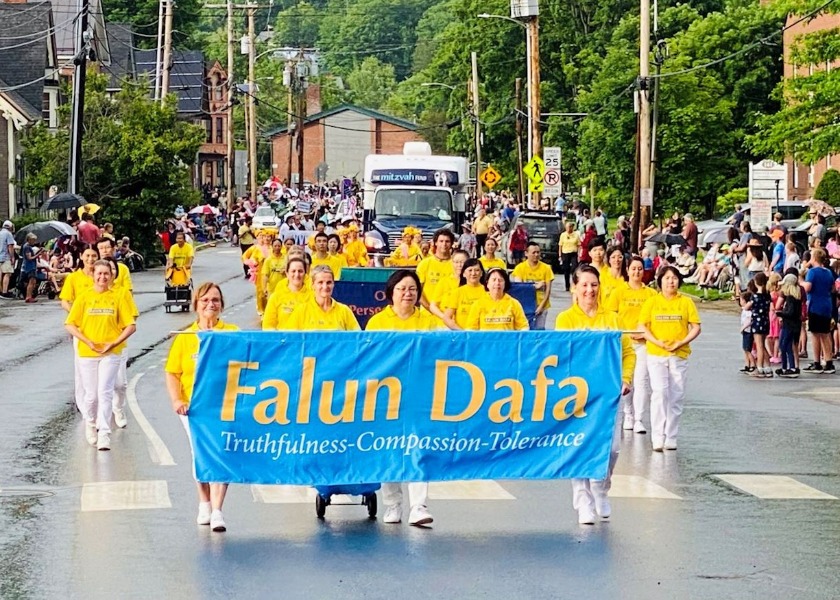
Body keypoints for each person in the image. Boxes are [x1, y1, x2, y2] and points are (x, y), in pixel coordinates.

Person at [554, 265, 635, 524]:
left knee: (611, 448)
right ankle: (583, 500)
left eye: (594, 285)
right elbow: (560, 356)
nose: (590, 290)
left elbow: (628, 353)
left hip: (608, 394)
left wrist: (626, 378)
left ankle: (601, 488)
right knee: (579, 446)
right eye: (584, 285)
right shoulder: (565, 320)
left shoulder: (612, 319)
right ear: (574, 288)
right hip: (577, 395)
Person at [366, 270, 436, 526]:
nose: (408, 294)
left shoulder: (428, 322)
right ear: (391, 293)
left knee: (418, 449)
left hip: (420, 395)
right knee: (389, 449)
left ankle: (419, 505)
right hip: (386, 397)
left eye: (412, 289)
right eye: (402, 289)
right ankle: (393, 504)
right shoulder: (377, 323)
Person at [165, 282, 237, 531]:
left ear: (221, 305)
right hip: (194, 409)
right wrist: (177, 400)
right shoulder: (186, 337)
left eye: (215, 300)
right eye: (205, 300)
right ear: (196, 305)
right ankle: (204, 502)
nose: (210, 305)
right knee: (201, 456)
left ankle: (218, 510)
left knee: (222, 454)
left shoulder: (233, 333)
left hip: (224, 407)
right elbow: (173, 373)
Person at [64, 259, 137, 451]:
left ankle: (104, 433)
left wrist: (114, 342)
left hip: (111, 352)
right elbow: (70, 324)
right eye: (99, 273)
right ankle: (90, 422)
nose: (103, 277)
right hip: (88, 353)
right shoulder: (84, 297)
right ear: (92, 275)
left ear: (111, 276)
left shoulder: (118, 297)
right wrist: (86, 341)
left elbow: (131, 325)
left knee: (105, 391)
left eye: (107, 274)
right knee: (91, 395)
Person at [639, 266, 702, 451]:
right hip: (656, 354)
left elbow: (696, 327)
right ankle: (657, 436)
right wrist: (656, 341)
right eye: (667, 278)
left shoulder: (686, 302)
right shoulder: (652, 302)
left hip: (679, 355)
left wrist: (681, 342)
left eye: (674, 278)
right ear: (660, 281)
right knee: (660, 393)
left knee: (676, 395)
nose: (670, 281)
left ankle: (671, 435)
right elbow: (642, 326)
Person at [604, 256, 656, 433]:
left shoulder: (651, 294)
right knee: (627, 380)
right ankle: (628, 414)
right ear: (628, 270)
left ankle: (639, 419)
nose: (637, 272)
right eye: (633, 268)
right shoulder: (619, 292)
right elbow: (610, 316)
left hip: (643, 343)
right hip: (624, 343)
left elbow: (654, 319)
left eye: (640, 269)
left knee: (641, 380)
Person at [98, 237, 136, 429]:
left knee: (120, 384)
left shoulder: (122, 292)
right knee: (101, 386)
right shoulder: (93, 290)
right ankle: (99, 421)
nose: (107, 275)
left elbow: (131, 319)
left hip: (118, 343)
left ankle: (118, 408)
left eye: (111, 271)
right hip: (96, 344)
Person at [286, 265, 360, 331]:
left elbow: (357, 339)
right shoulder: (301, 311)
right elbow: (290, 340)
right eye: (320, 282)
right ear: (312, 285)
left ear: (333, 284)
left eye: (329, 282)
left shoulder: (344, 311)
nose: (325, 287)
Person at [802, 248, 836, 374]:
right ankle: (828, 361)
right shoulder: (828, 272)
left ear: (814, 258)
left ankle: (817, 362)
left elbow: (808, 287)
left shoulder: (812, 272)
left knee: (815, 334)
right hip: (827, 304)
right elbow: (832, 288)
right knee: (826, 334)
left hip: (815, 305)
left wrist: (801, 282)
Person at [511, 242, 553, 329]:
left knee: (539, 331)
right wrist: (534, 287)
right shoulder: (520, 268)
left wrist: (541, 306)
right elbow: (519, 288)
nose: (536, 255)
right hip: (525, 306)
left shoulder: (546, 268)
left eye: (538, 252)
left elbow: (548, 290)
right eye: (533, 252)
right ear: (526, 253)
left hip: (541, 305)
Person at [263, 257, 311, 330]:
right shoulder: (276, 297)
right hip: (283, 340)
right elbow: (268, 326)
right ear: (287, 273)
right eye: (293, 271)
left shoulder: (313, 297)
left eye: (300, 271)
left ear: (305, 273)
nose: (297, 274)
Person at [441, 257, 487, 330]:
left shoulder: (488, 292)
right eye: (470, 270)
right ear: (463, 274)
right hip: (463, 336)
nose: (473, 273)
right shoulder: (457, 293)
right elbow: (446, 318)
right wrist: (462, 332)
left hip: (482, 336)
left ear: (481, 273)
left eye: (477, 270)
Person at [417, 229, 455, 311]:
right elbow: (418, 290)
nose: (444, 244)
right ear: (435, 243)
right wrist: (431, 309)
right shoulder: (425, 263)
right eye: (441, 241)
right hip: (427, 315)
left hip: (450, 315)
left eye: (447, 241)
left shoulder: (456, 265)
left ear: (452, 243)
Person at [429, 249, 468, 322]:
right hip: (444, 326)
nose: (459, 265)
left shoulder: (472, 282)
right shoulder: (444, 281)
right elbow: (433, 306)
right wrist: (445, 318)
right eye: (456, 262)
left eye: (462, 262)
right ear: (452, 263)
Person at [776, 274, 803, 378]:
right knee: (785, 346)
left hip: (790, 325)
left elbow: (791, 313)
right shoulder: (794, 298)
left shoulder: (791, 298)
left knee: (784, 346)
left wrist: (780, 313)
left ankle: (790, 367)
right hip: (790, 324)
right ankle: (785, 367)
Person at [242, 230, 273, 315]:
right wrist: (252, 263)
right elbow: (245, 257)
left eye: (267, 236)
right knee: (261, 292)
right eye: (261, 236)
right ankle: (261, 309)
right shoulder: (256, 248)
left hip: (271, 273)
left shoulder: (273, 248)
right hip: (260, 273)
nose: (264, 238)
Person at [748, 273, 772, 378]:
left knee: (759, 346)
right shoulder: (767, 295)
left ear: (756, 283)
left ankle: (760, 368)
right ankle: (768, 367)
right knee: (762, 344)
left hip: (757, 322)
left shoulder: (755, 296)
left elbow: (747, 307)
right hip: (765, 321)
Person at [559, 221, 581, 291]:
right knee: (566, 270)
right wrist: (560, 255)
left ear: (572, 228)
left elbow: (578, 245)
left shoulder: (576, 235)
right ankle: (567, 285)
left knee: (574, 268)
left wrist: (579, 255)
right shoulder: (563, 235)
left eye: (569, 227)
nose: (568, 229)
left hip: (573, 253)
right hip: (565, 253)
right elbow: (560, 245)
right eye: (567, 227)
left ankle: (574, 284)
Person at [21, 233, 43, 303]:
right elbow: (29, 258)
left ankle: (29, 296)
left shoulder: (27, 246)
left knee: (32, 282)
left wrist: (39, 252)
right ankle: (28, 296)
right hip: (30, 266)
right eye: (33, 240)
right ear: (29, 240)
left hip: (29, 266)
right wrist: (38, 254)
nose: (34, 242)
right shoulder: (27, 247)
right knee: (31, 282)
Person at [738, 291, 756, 374]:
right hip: (746, 331)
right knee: (744, 348)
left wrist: (743, 328)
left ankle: (752, 364)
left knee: (747, 349)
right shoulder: (744, 309)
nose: (740, 302)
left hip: (748, 331)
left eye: (741, 300)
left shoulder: (748, 311)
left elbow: (749, 321)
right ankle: (747, 364)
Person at [0, 220, 15, 298]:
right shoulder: (8, 234)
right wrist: (12, 257)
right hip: (5, 256)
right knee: (7, 273)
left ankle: (1, 290)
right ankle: (5, 292)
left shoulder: (0, 233)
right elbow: (10, 246)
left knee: (0, 273)